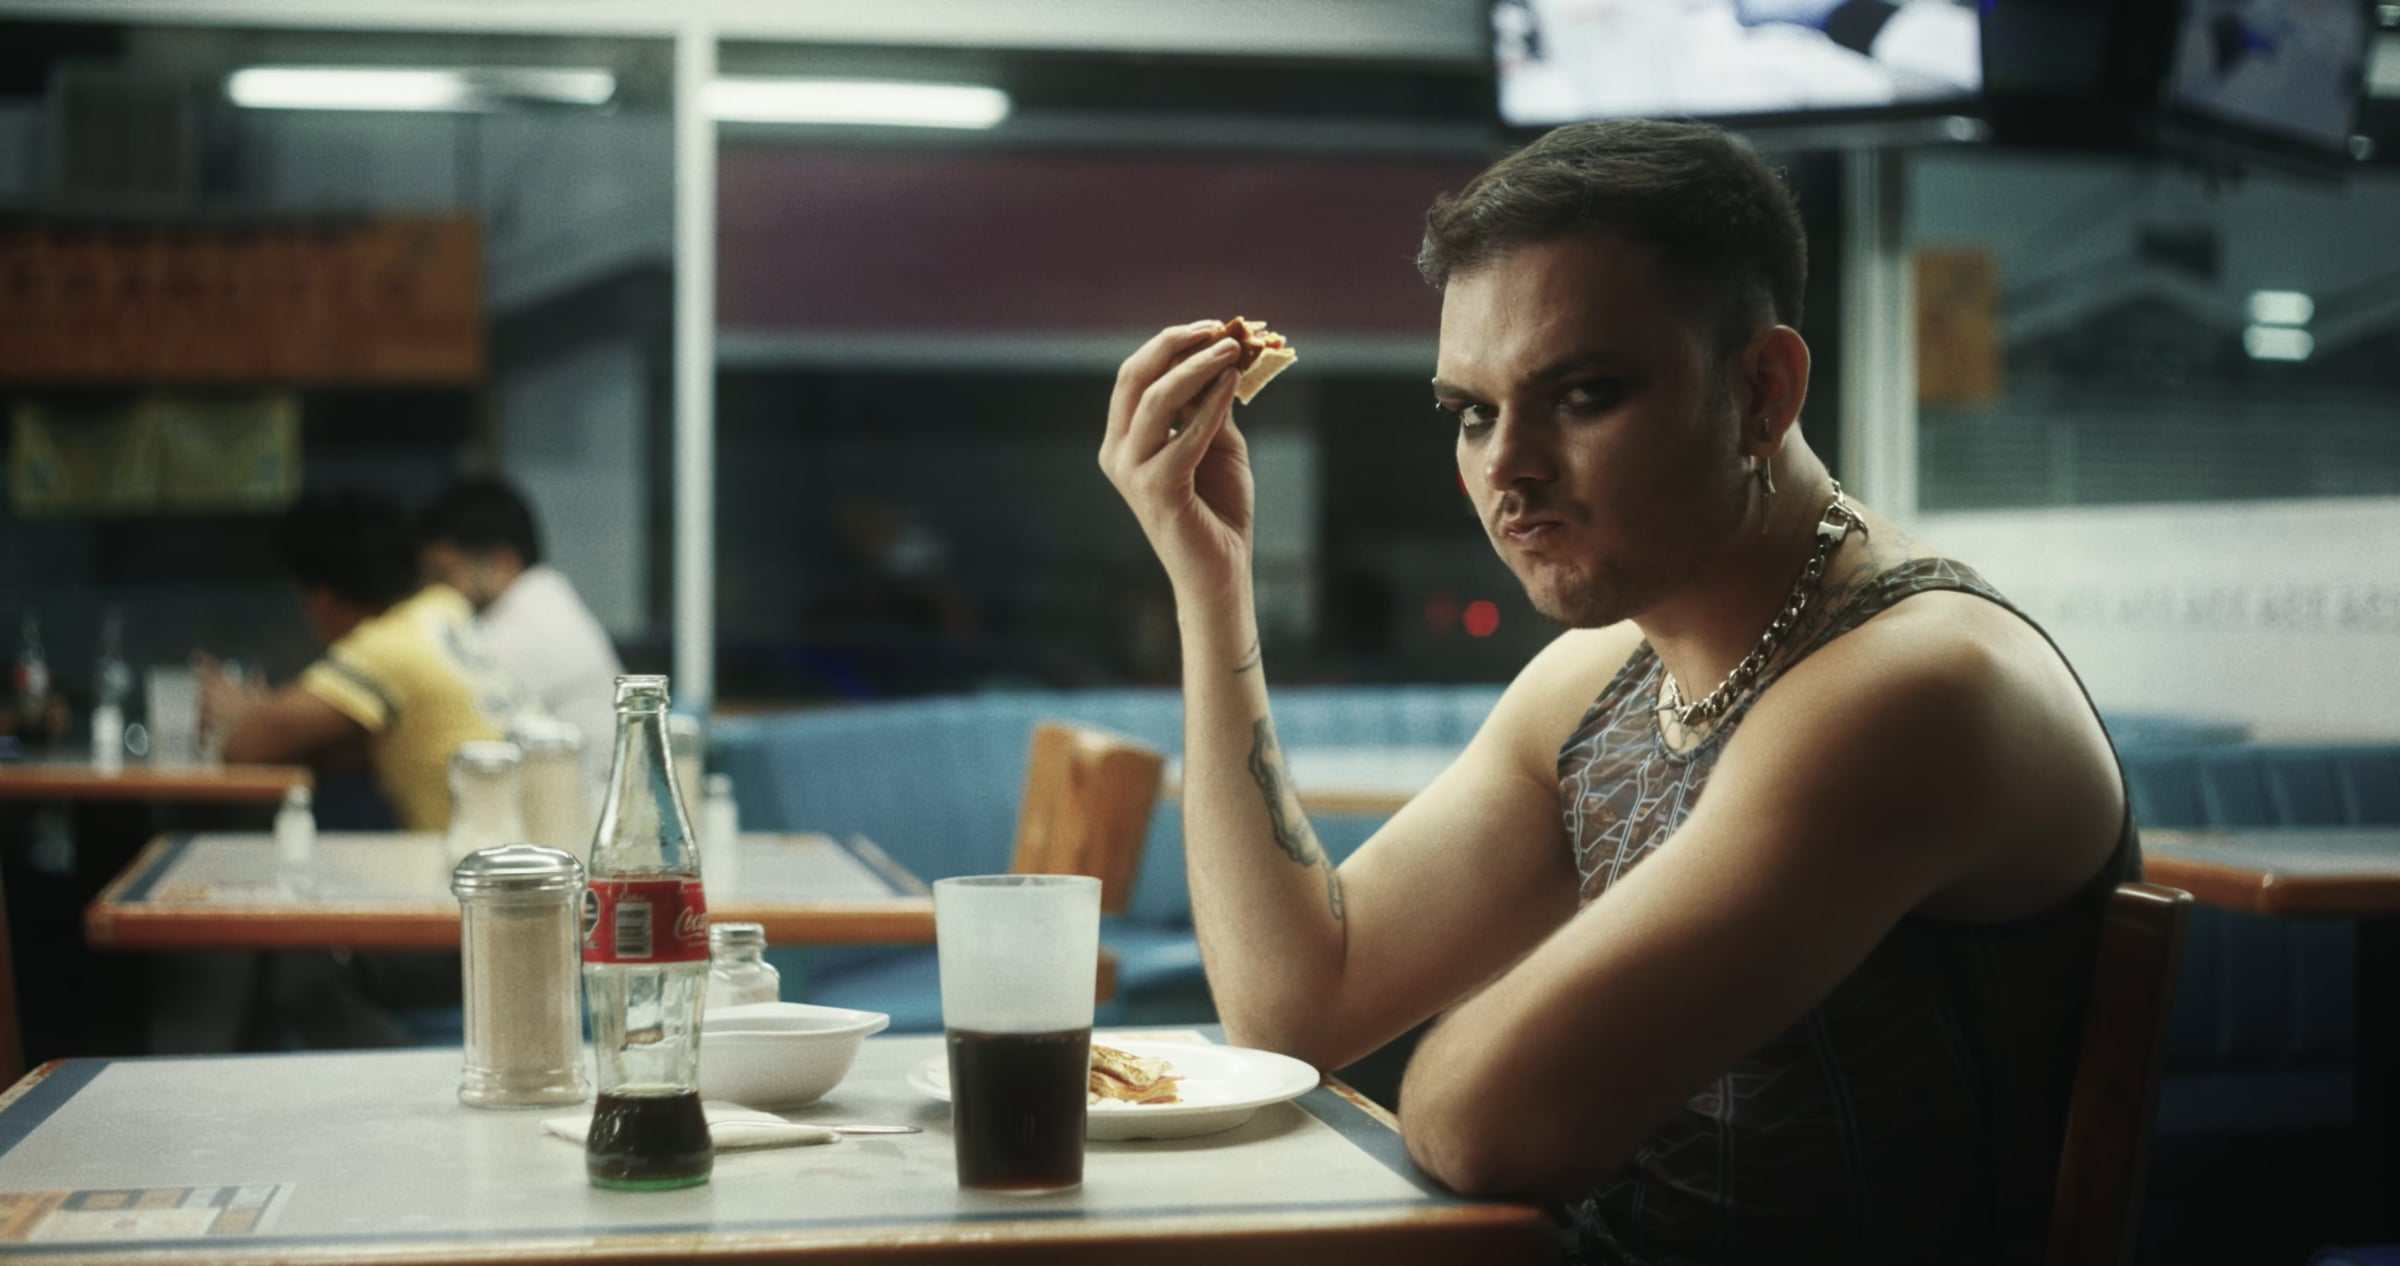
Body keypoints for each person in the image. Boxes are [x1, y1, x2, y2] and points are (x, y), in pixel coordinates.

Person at [1098, 120, 2135, 1264]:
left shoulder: (1918, 689)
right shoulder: (1605, 677)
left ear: (1762, 391)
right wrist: (1212, 584)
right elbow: (1296, 1007)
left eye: (1583, 393)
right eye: (1473, 411)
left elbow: (1485, 1124)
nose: (1507, 467)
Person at [204, 488, 519, 832]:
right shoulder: (442, 607)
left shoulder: (384, 648)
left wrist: (240, 715)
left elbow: (242, 749)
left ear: (321, 599)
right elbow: (345, 748)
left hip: (473, 855)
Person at [418, 476, 622, 789]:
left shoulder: (533, 624)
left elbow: (435, 709)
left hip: (584, 809)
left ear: (503, 562)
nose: (435, 592)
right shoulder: (544, 600)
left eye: (446, 573)